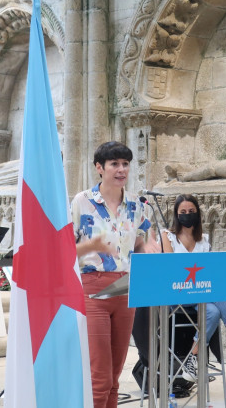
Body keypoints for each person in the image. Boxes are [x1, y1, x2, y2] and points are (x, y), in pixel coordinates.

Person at [71, 141, 160, 408]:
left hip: (126, 288)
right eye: (114, 164)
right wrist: (92, 245)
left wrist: (147, 247)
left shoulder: (137, 203)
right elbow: (62, 249)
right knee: (99, 376)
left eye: (125, 164)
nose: (121, 170)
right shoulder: (82, 201)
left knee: (115, 376)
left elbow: (139, 242)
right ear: (100, 168)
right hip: (93, 290)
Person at [161, 194, 226, 382]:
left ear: (197, 213)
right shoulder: (167, 236)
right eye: (183, 212)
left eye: (191, 211)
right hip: (176, 293)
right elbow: (171, 268)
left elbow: (209, 272)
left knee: (213, 311)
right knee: (213, 294)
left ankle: (192, 357)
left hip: (200, 295)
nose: (187, 215)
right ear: (176, 215)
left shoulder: (204, 240)